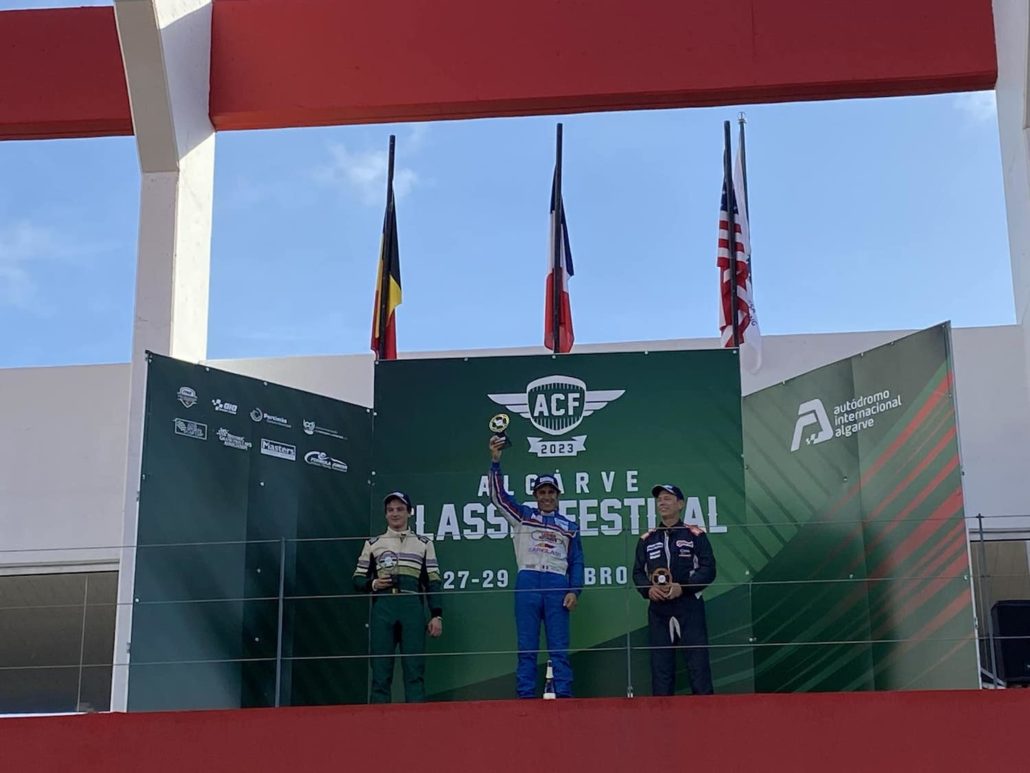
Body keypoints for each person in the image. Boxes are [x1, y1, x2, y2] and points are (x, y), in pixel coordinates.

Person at [488, 436, 584, 698]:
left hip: (557, 584)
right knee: (527, 646)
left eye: (551, 492)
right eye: (542, 492)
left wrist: (574, 590)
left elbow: (577, 562)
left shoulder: (569, 526)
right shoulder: (523, 515)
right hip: (528, 582)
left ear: (558, 495)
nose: (547, 497)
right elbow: (498, 498)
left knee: (559, 648)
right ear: (535, 496)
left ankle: (564, 697)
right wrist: (495, 462)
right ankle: (526, 698)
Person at [353, 491, 443, 703]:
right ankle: (378, 719)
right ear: (385, 514)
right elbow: (357, 578)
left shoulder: (424, 543)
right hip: (383, 607)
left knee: (414, 669)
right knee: (380, 669)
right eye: (390, 510)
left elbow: (433, 581)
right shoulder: (373, 543)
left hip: (412, 605)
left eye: (400, 509)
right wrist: (373, 584)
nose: (395, 514)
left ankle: (416, 718)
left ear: (409, 512)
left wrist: (436, 614)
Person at [632, 484, 717, 696]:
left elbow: (708, 569)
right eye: (659, 499)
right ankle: (661, 714)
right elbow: (638, 572)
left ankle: (707, 713)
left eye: (668, 498)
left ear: (680, 504)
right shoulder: (647, 539)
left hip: (689, 606)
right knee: (660, 667)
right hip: (659, 609)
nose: (662, 502)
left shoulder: (695, 535)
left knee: (698, 664)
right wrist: (648, 590)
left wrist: (684, 587)